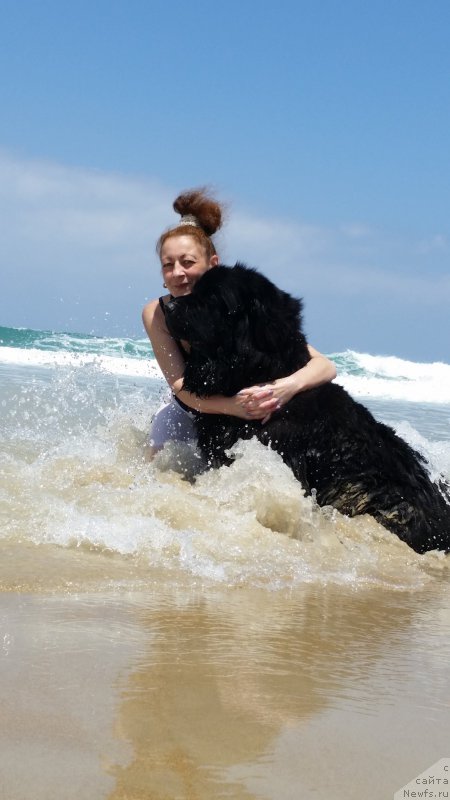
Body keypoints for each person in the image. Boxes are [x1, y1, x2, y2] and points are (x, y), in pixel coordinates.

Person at [142, 188, 336, 458]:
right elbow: (180, 386)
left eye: (188, 262)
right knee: (156, 468)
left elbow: (325, 366)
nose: (178, 273)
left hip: (247, 407)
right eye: (168, 264)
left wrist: (286, 388)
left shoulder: (234, 303)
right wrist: (232, 406)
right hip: (189, 407)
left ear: (213, 264)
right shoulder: (156, 313)